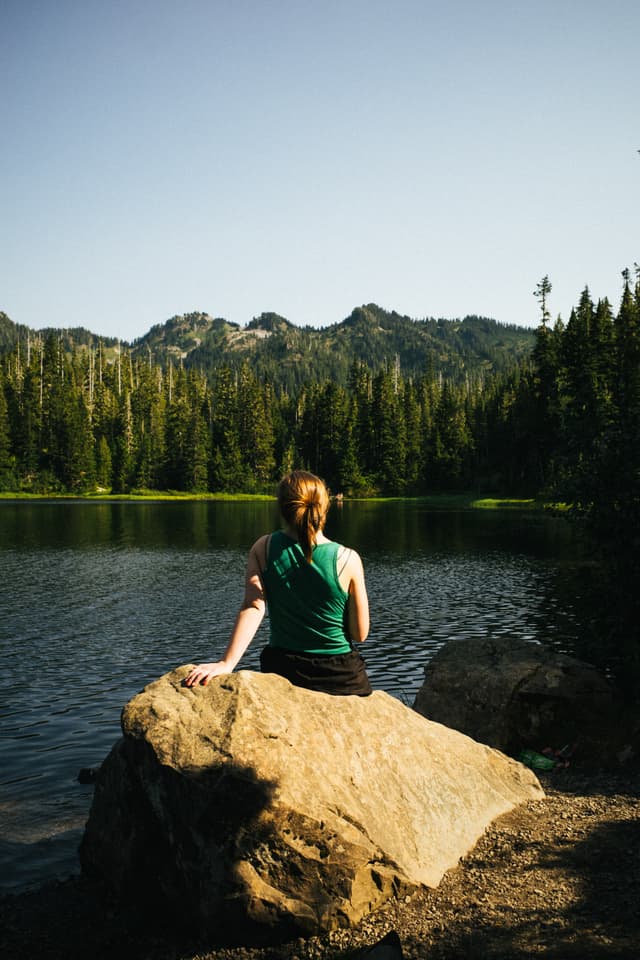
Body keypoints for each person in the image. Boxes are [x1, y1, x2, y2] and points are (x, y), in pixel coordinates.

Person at [183, 470, 372, 696]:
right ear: (324, 507)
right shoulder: (348, 558)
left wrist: (226, 663)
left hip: (284, 670)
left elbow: (253, 607)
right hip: (341, 678)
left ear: (282, 508)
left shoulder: (263, 548)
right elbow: (360, 634)